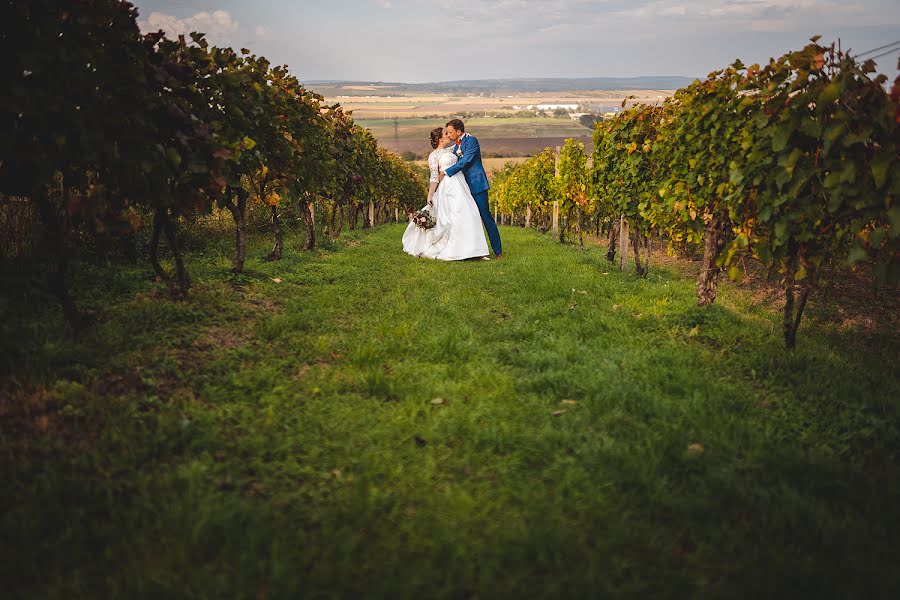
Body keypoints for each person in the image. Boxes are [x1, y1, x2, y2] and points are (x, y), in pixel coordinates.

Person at [440, 119, 503, 259]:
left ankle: (498, 252)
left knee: (486, 217)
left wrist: (447, 171)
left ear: (458, 131)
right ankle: (472, 251)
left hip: (477, 184)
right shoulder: (456, 147)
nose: (448, 135)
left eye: (450, 132)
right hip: (463, 188)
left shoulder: (472, 141)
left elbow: (466, 160)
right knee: (467, 219)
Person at [402, 127, 448, 257]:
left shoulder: (451, 151)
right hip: (444, 189)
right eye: (446, 133)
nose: (448, 134)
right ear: (440, 139)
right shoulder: (434, 156)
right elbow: (434, 177)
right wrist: (430, 195)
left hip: (455, 188)